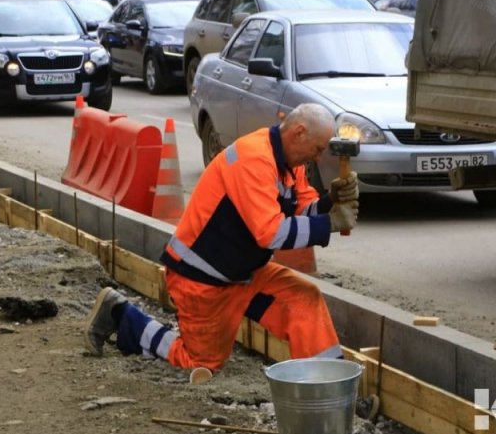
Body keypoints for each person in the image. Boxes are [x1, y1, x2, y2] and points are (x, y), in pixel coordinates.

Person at [84, 103, 359, 374]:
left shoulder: (289, 162)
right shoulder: (255, 159)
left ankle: (333, 385)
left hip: (244, 274)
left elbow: (299, 208)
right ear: (299, 133)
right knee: (201, 364)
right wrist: (329, 223)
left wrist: (327, 203)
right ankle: (121, 316)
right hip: (202, 280)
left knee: (304, 300)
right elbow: (271, 233)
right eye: (318, 149)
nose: (318, 158)